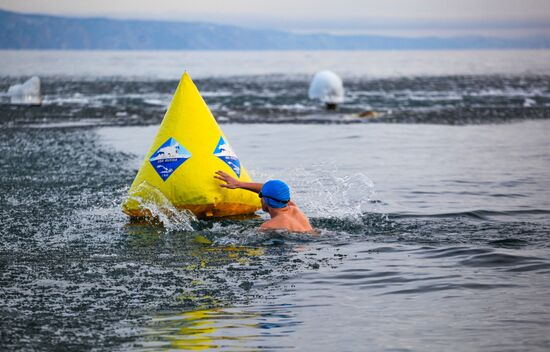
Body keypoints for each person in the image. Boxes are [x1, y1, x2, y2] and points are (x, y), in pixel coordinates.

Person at [214, 170, 314, 233]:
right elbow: (272, 192)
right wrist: (238, 184)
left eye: (260, 195)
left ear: (265, 200)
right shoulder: (293, 207)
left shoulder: (268, 226)